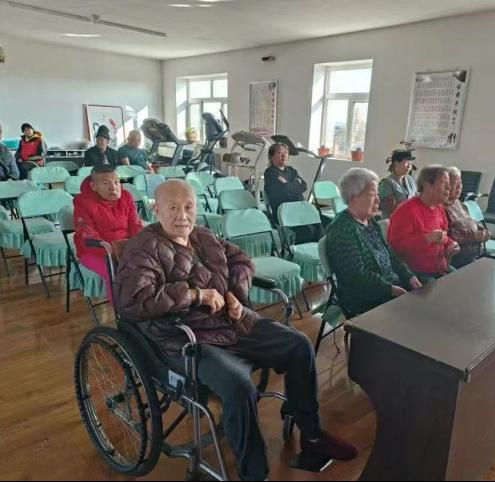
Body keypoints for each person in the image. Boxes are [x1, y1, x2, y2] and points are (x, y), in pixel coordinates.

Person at [113, 179, 357, 481]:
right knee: (239, 385)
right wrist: (194, 295)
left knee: (299, 345)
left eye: (189, 207)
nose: (183, 216)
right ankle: (253, 474)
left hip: (232, 321)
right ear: (156, 210)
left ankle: (312, 435)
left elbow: (241, 260)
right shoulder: (142, 248)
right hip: (185, 338)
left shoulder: (203, 236)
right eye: (173, 208)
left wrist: (235, 294)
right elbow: (132, 301)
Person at [326, 168, 422, 316]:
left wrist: (409, 276)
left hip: (391, 287)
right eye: (372, 194)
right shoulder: (342, 229)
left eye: (377, 194)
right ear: (353, 197)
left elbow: (390, 255)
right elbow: (356, 276)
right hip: (365, 297)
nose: (378, 199)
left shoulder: (370, 222)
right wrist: (390, 289)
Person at [73, 165, 143, 300]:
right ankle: (121, 310)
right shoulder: (82, 202)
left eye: (116, 182)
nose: (113, 187)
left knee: (149, 262)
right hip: (95, 250)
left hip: (125, 247)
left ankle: (147, 304)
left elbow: (135, 225)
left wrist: (137, 245)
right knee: (116, 270)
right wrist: (114, 251)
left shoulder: (126, 196)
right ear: (94, 186)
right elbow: (86, 234)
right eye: (106, 183)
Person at [388, 165, 460, 284]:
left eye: (449, 183)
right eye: (444, 183)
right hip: (416, 272)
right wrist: (427, 238)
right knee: (439, 291)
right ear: (427, 186)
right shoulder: (406, 211)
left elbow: (443, 236)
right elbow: (396, 248)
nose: (449, 187)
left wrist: (451, 244)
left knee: (463, 283)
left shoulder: (439, 208)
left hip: (441, 268)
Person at [264, 143, 322, 244]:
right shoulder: (270, 173)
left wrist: (286, 184)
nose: (284, 155)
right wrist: (295, 184)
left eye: (286, 152)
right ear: (271, 157)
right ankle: (300, 252)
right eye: (280, 152)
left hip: (300, 209)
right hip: (285, 213)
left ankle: (318, 251)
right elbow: (283, 191)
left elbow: (304, 186)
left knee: (323, 223)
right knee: (309, 231)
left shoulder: (291, 170)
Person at [444, 166, 490, 268]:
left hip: (478, 252)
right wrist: (475, 236)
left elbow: (472, 221)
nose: (459, 186)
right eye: (455, 183)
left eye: (460, 182)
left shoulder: (458, 202)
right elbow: (448, 235)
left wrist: (484, 231)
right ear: (446, 185)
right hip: (461, 256)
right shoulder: (442, 207)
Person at [378, 148, 417, 219]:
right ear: (396, 163)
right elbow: (392, 207)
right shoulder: (387, 183)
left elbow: (415, 198)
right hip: (392, 221)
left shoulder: (409, 179)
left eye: (411, 163)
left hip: (409, 219)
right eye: (406, 163)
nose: (409, 166)